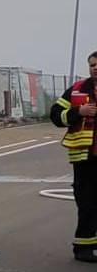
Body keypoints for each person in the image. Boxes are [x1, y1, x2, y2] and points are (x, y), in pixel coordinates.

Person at [49, 52, 97, 261]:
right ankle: (83, 248)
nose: (94, 68)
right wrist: (79, 111)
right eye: (92, 65)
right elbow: (55, 114)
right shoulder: (77, 89)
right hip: (85, 158)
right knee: (86, 203)